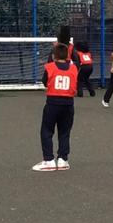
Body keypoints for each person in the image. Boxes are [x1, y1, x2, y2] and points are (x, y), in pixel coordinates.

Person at [32, 43, 78, 172]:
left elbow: (45, 82)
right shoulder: (74, 68)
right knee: (64, 132)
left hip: (53, 103)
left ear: (53, 56)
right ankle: (63, 159)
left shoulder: (50, 67)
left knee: (46, 131)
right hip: (68, 104)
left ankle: (49, 160)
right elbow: (76, 62)